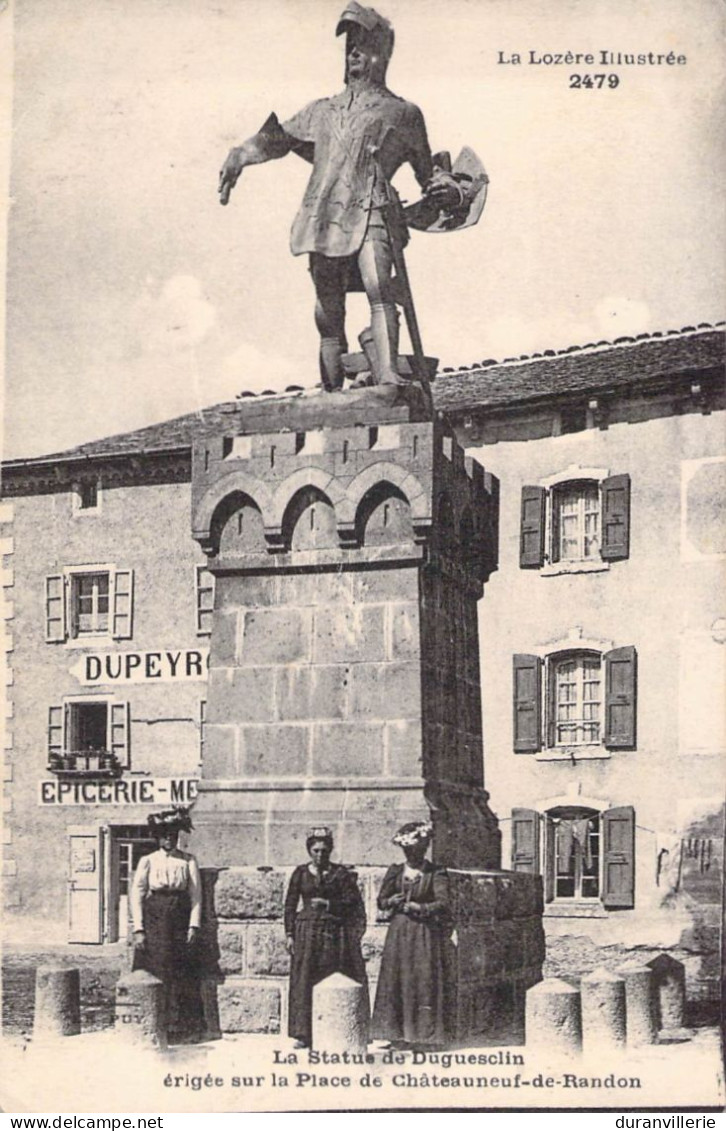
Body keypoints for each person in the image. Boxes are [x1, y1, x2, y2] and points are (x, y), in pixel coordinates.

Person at [218, 2, 465, 391]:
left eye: (362, 45)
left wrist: (446, 187)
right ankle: (331, 390)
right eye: (349, 45)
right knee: (328, 310)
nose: (353, 53)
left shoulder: (403, 113)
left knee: (380, 287)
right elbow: (277, 138)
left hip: (376, 208)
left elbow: (429, 171)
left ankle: (386, 375)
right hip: (325, 213)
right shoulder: (321, 111)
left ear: (381, 53)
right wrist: (241, 154)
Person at [284, 826, 368, 1048]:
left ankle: (333, 1026)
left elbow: (353, 903)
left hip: (333, 933)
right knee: (304, 980)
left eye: (324, 851)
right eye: (315, 850)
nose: (320, 855)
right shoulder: (301, 873)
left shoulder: (340, 874)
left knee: (331, 975)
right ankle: (303, 1033)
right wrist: (289, 933)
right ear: (309, 851)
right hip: (306, 933)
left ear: (330, 851)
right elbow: (290, 904)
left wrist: (329, 904)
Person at [371, 820, 450, 1049]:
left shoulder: (435, 872)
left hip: (423, 933)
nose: (411, 854)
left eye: (415, 849)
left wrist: (421, 908)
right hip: (398, 932)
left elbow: (443, 903)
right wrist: (391, 901)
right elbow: (381, 901)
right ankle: (395, 1034)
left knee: (422, 980)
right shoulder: (396, 871)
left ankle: (423, 1037)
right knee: (395, 979)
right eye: (407, 850)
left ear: (423, 848)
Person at [130, 806, 204, 1042]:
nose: (168, 840)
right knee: (157, 967)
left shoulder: (188, 861)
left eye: (172, 836)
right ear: (158, 838)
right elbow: (137, 894)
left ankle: (181, 1026)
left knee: (181, 970)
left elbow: (196, 895)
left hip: (179, 917)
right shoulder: (148, 861)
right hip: (155, 918)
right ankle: (153, 1021)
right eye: (164, 836)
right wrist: (139, 929)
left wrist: (193, 925)